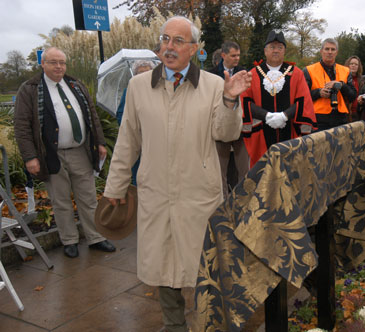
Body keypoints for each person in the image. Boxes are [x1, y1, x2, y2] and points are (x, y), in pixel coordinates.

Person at [101, 16, 252, 332]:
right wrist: (115, 185)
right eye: (165, 38)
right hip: (156, 191)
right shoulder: (139, 86)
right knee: (162, 263)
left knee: (204, 263)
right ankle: (173, 325)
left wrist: (229, 99)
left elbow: (226, 133)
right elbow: (128, 139)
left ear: (194, 48)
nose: (169, 46)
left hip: (199, 192)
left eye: (178, 41)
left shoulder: (213, 86)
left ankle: (208, 322)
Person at [13, 47, 116, 258]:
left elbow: (92, 116)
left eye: (62, 62)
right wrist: (30, 157)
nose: (59, 66)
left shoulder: (75, 84)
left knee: (88, 198)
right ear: (43, 64)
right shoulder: (30, 89)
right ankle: (69, 240)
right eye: (53, 62)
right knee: (60, 201)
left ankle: (96, 237)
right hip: (51, 153)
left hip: (80, 151)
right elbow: (22, 126)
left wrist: (100, 142)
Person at [241, 30, 316, 167]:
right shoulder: (253, 74)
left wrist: (284, 116)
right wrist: (267, 116)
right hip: (262, 135)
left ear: (284, 51)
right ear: (265, 51)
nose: (276, 51)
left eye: (280, 48)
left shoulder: (297, 73)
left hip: (290, 132)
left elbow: (304, 101)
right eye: (272, 47)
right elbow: (245, 101)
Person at [210, 41, 249, 198]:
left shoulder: (244, 73)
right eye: (233, 55)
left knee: (244, 170)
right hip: (220, 127)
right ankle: (223, 205)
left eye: (238, 55)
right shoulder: (211, 75)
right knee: (220, 172)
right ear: (223, 55)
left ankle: (244, 202)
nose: (237, 58)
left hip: (241, 127)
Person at [115, 60, 155, 186]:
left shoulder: (161, 90)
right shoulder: (130, 91)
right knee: (139, 175)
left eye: (148, 72)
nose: (144, 76)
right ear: (135, 75)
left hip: (156, 141)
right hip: (138, 141)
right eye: (140, 73)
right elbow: (121, 114)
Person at [303, 38, 357, 131]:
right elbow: (302, 97)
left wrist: (342, 85)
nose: (330, 52)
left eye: (333, 49)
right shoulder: (308, 70)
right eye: (327, 49)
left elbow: (353, 96)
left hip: (341, 118)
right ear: (321, 51)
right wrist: (319, 93)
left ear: (337, 52)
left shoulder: (346, 70)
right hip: (318, 119)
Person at [345, 55, 365, 121]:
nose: (353, 65)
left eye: (356, 64)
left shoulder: (362, 80)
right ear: (348, 65)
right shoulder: (343, 78)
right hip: (345, 113)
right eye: (351, 64)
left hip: (358, 113)